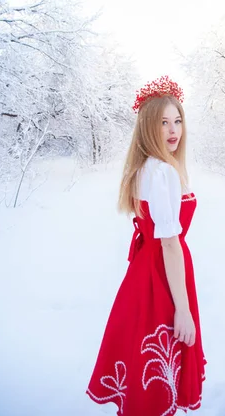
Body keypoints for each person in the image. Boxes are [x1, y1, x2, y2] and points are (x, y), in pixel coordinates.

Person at [86, 74, 206, 415]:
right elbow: (169, 244)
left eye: (177, 120)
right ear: (147, 127)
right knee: (160, 362)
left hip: (143, 272)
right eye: (163, 122)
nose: (173, 130)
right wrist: (182, 309)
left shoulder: (142, 167)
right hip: (162, 276)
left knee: (142, 361)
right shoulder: (163, 172)